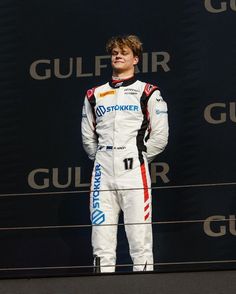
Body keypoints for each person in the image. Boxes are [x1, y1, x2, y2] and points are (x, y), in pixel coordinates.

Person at [81, 35, 169, 272]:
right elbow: (88, 137)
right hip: (103, 170)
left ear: (136, 59)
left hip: (133, 170)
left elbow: (160, 136)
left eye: (124, 52)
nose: (118, 55)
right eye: (115, 53)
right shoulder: (94, 94)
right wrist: (103, 157)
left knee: (139, 236)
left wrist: (136, 156)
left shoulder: (148, 92)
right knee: (101, 237)